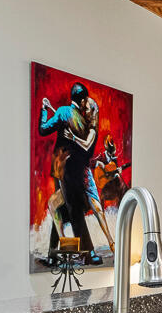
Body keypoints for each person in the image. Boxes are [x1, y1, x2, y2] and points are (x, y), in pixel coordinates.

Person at [37, 81, 114, 262]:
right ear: (82, 100)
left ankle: (63, 253)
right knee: (70, 209)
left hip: (63, 170)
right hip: (71, 171)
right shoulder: (78, 118)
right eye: (86, 101)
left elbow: (43, 129)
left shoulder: (64, 112)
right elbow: (85, 148)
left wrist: (44, 110)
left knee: (69, 209)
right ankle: (80, 253)